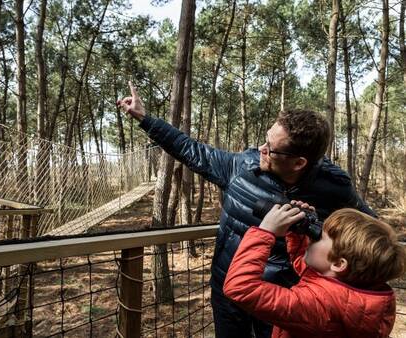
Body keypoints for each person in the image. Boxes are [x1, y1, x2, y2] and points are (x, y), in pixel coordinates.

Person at [117, 81, 375, 338]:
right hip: (228, 290)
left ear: (298, 163)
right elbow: (191, 150)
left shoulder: (334, 189)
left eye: (270, 148)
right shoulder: (242, 166)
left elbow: (371, 234)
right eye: (265, 140)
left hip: (280, 300)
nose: (261, 149)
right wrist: (144, 117)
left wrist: (321, 238)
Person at [223, 203, 405, 338]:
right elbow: (313, 276)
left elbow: (241, 287)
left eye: (320, 237)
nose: (313, 237)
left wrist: (264, 232)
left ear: (339, 264)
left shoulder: (319, 306)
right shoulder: (355, 293)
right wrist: (298, 231)